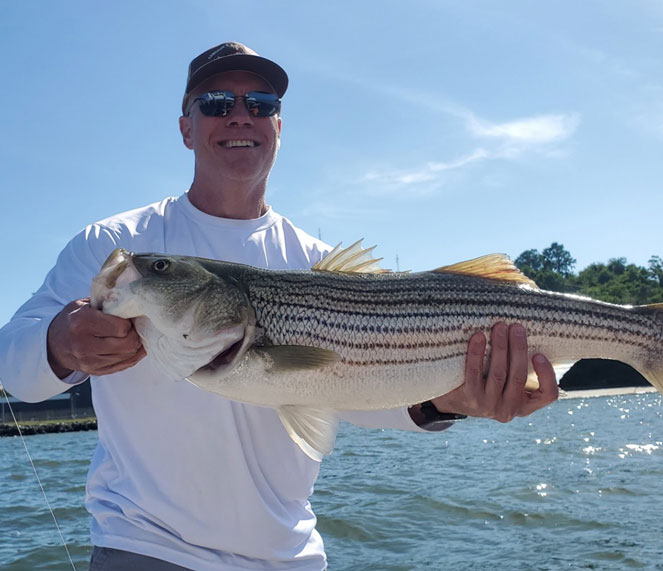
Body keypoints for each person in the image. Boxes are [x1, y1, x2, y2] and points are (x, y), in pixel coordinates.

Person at [0, 42, 558, 570]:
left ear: (278, 128)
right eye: (217, 103)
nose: (240, 116)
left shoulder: (314, 262)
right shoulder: (120, 247)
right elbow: (12, 369)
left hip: (291, 556)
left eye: (260, 104)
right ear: (185, 128)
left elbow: (354, 388)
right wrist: (58, 339)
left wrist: (447, 402)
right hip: (145, 548)